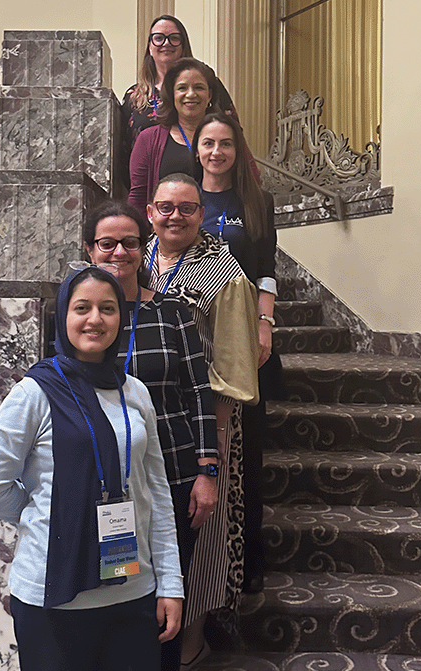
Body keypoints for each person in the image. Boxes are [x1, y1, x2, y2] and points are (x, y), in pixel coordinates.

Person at [0, 266, 183, 671]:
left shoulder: (133, 392)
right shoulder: (33, 394)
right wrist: (55, 518)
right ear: (63, 316)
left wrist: (171, 585)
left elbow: (155, 493)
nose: (95, 319)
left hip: (133, 592)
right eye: (81, 307)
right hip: (52, 598)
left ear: (121, 318)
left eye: (108, 308)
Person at [83, 199, 219, 671]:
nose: (118, 252)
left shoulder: (174, 313)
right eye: (107, 243)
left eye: (130, 242)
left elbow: (200, 394)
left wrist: (209, 470)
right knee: (118, 586)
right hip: (108, 480)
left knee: (168, 589)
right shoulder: (82, 315)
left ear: (144, 249)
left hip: (177, 474)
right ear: (89, 249)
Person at [144, 173, 260, 668]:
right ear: (150, 211)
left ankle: (191, 643)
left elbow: (235, 364)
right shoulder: (135, 257)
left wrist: (212, 446)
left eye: (187, 208)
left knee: (202, 535)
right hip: (143, 419)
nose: (175, 216)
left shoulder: (222, 273)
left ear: (201, 214)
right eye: (165, 207)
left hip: (201, 419)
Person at [193, 112, 284, 594]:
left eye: (225, 144)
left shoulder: (257, 201)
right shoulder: (183, 198)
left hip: (243, 337)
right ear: (197, 149)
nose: (216, 152)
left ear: (236, 150)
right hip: (194, 339)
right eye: (208, 143)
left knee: (246, 450)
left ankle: (246, 560)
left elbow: (266, 268)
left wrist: (265, 325)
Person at [121, 15, 239, 155]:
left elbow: (234, 134)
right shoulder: (134, 95)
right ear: (149, 48)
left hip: (204, 170)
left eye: (174, 38)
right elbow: (122, 148)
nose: (166, 43)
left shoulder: (209, 84)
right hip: (149, 174)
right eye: (158, 38)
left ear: (184, 46)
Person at [128, 57, 217, 216]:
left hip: (220, 231)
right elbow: (137, 199)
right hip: (167, 232)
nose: (191, 94)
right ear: (172, 94)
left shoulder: (228, 137)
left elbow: (250, 186)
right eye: (182, 88)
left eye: (199, 87)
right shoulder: (148, 140)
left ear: (209, 95)